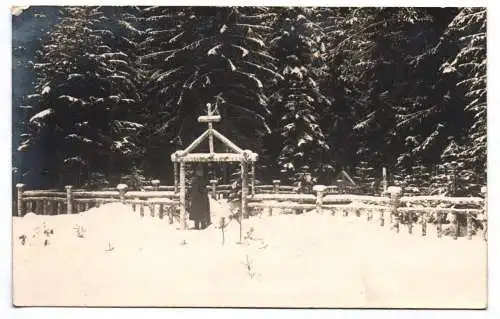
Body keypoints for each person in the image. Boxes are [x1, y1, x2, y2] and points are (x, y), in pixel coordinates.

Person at [188, 164, 211, 229]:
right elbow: (194, 191)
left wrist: (205, 191)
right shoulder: (195, 180)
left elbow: (204, 187)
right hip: (197, 200)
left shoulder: (202, 179)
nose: (201, 172)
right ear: (197, 172)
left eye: (202, 171)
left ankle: (203, 226)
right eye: (200, 171)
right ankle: (197, 227)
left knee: (202, 214)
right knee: (197, 216)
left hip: (202, 199)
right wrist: (202, 193)